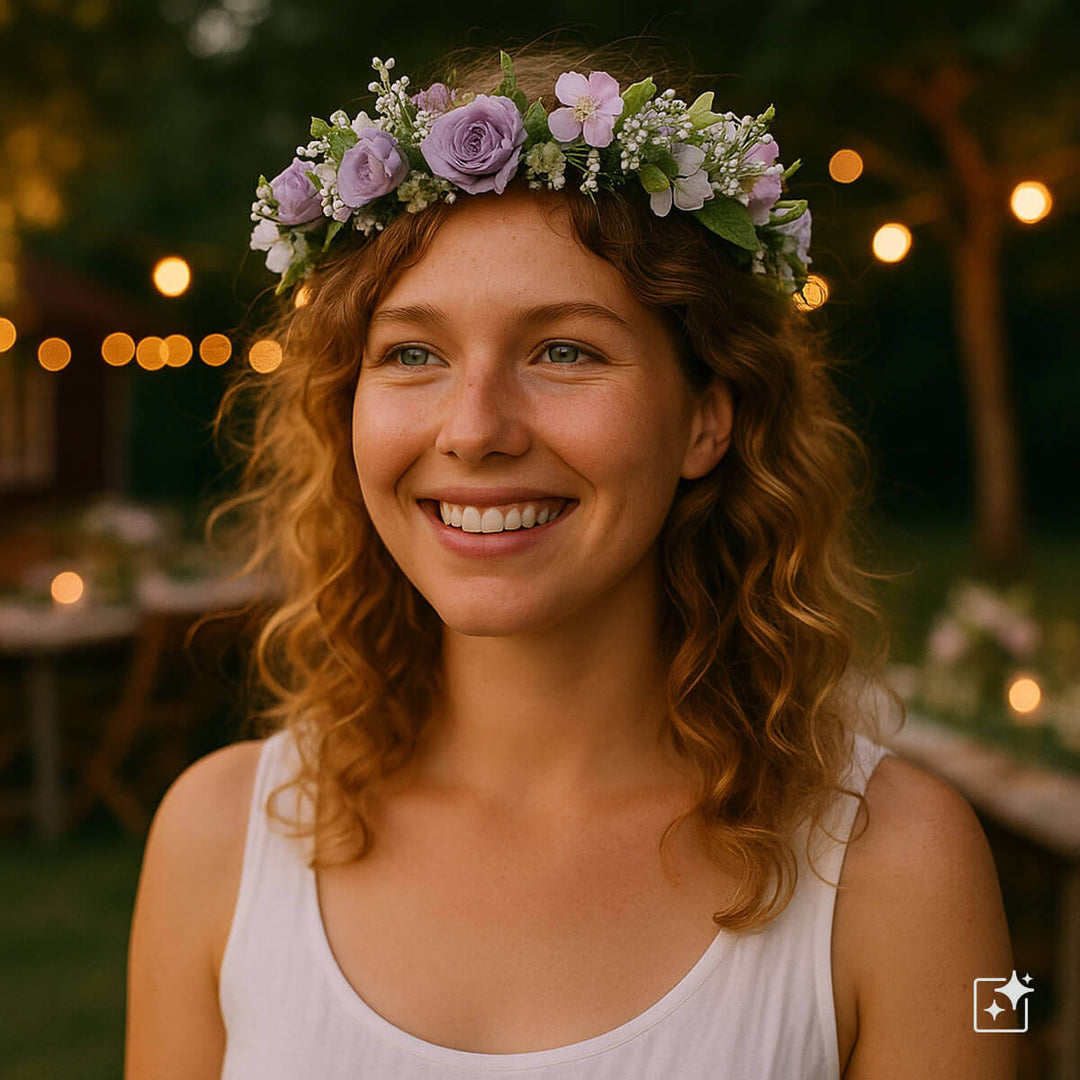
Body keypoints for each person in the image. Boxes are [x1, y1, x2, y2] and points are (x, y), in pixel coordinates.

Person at [124, 40, 1015, 1079]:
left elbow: (1005, 1018)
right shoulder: (215, 840)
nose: (475, 429)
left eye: (565, 350)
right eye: (413, 353)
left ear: (706, 420)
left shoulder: (903, 870)